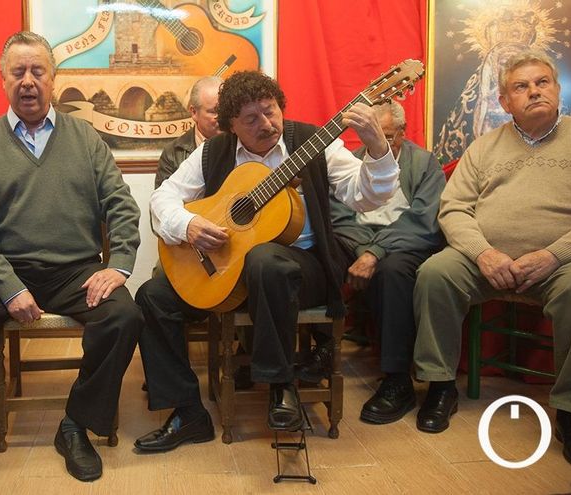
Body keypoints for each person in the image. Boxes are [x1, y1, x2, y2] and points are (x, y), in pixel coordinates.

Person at [134, 70, 399, 453]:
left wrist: (376, 148)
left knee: (265, 260)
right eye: (251, 119)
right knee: (152, 296)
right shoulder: (213, 151)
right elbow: (163, 199)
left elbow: (368, 197)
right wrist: (189, 225)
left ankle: (281, 387)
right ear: (230, 126)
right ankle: (188, 412)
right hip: (235, 271)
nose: (266, 124)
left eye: (270, 111)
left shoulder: (311, 142)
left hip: (305, 266)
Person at [0, 32, 142, 494]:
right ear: (3, 81)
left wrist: (118, 264)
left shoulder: (86, 138)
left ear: (53, 78)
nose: (28, 82)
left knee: (123, 315)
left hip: (75, 270)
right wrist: (8, 287)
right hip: (8, 269)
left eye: (37, 71)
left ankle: (76, 425)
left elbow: (121, 205)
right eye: (17, 72)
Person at [411, 51, 571, 471]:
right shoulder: (484, 147)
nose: (534, 92)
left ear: (558, 90)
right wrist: (483, 253)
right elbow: (453, 209)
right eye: (521, 87)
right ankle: (439, 385)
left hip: (561, 264)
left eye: (542, 82)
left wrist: (553, 255)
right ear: (505, 102)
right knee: (434, 273)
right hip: (485, 260)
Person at [297, 101, 444, 424]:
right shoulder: (353, 163)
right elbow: (339, 216)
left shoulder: (424, 164)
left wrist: (375, 253)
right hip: (358, 240)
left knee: (391, 273)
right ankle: (323, 348)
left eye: (387, 136)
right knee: (321, 253)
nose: (379, 144)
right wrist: (364, 249)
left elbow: (423, 222)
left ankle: (397, 379)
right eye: (370, 136)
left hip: (403, 244)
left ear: (403, 133)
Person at [155, 76, 223, 188]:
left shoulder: (242, 142)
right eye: (214, 112)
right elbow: (163, 201)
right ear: (194, 112)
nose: (222, 117)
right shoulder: (173, 153)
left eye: (225, 110)